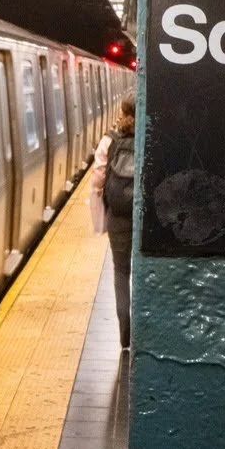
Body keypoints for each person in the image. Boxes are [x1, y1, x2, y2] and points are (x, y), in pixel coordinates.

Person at [90, 90, 135, 350]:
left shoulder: (109, 141)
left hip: (117, 215)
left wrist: (100, 215)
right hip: (142, 216)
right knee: (143, 270)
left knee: (121, 271)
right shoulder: (149, 137)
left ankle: (124, 334)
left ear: (122, 111)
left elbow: (97, 180)